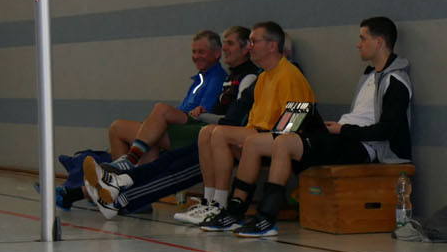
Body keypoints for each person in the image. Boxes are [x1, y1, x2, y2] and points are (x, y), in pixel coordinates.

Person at [219, 17, 412, 237]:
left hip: (363, 146)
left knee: (283, 141)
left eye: (363, 38)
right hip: (343, 135)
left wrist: (342, 130)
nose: (358, 44)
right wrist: (335, 128)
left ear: (379, 42)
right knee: (253, 142)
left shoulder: (395, 81)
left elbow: (386, 131)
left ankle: (266, 217)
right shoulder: (370, 76)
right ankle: (235, 210)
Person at [80, 28, 258, 218]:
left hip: (214, 135)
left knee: (161, 138)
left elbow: (231, 120)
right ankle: (114, 184)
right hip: (208, 133)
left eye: (230, 44)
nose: (225, 48)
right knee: (152, 145)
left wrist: (201, 116)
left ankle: (119, 186)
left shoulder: (234, 78)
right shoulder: (224, 78)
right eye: (194, 52)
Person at [192, 21, 314, 229]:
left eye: (254, 42)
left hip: (287, 138)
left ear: (272, 46)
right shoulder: (264, 77)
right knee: (208, 132)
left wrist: (252, 139)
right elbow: (254, 122)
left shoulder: (290, 75)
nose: (250, 47)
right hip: (260, 133)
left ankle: (223, 204)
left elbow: (291, 126)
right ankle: (213, 201)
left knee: (223, 134)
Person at [104, 30, 228, 169]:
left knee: (155, 114)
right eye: (194, 52)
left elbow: (201, 115)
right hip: (179, 128)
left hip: (194, 133)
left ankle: (127, 164)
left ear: (217, 53)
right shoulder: (200, 79)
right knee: (119, 128)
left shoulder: (217, 79)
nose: (196, 56)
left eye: (201, 52)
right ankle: (122, 174)